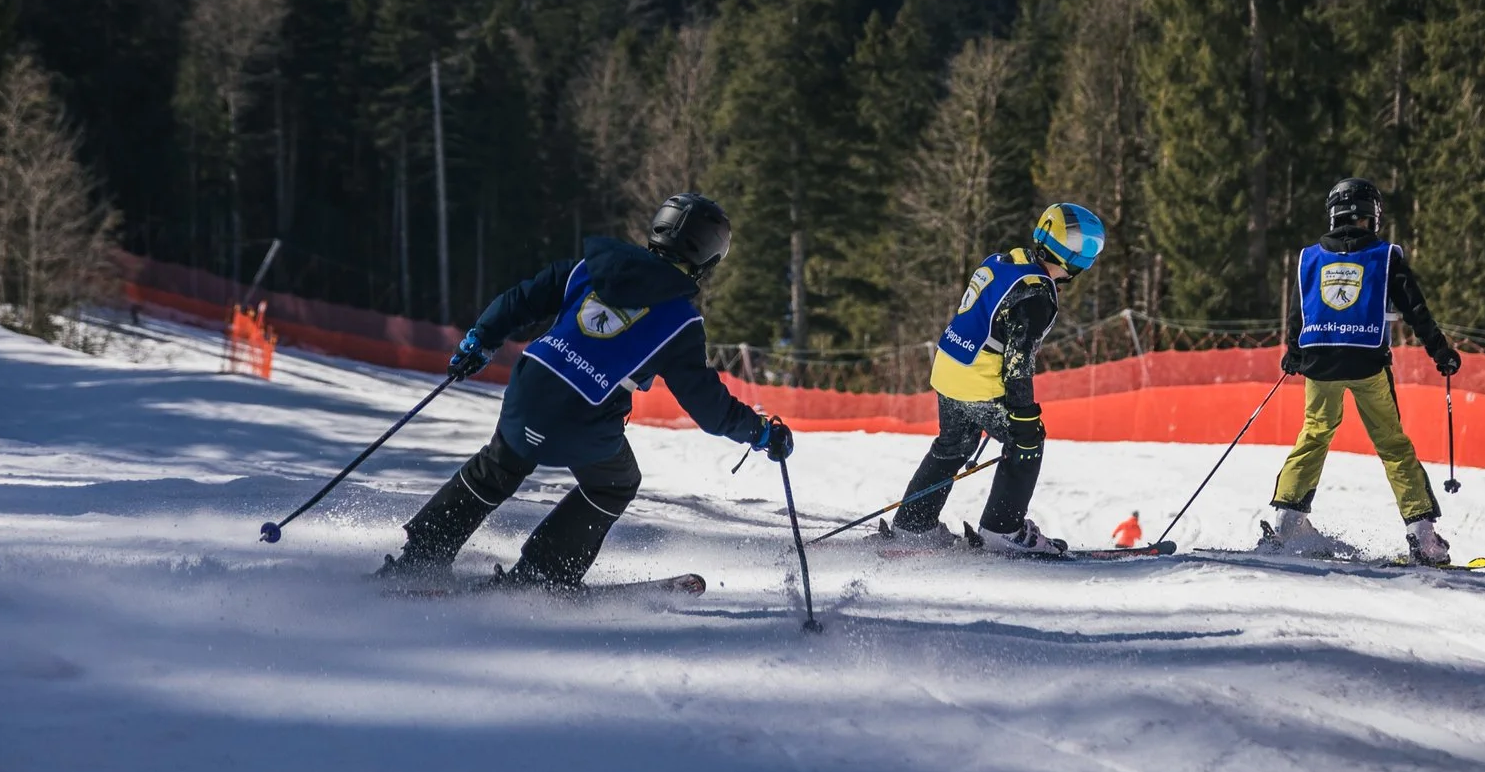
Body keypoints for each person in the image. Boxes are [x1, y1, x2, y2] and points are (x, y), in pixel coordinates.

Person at [380, 192, 789, 588]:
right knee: (615, 483)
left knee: (498, 466)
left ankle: (421, 557)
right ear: (708, 257)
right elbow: (709, 407)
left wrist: (479, 340)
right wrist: (760, 432)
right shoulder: (681, 322)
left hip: (529, 387)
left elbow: (519, 300)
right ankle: (542, 576)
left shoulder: (589, 267)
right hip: (583, 417)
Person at [891, 202, 1106, 557]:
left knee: (953, 446)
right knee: (1027, 443)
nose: (1089, 258)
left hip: (949, 367)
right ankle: (1002, 529)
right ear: (1073, 254)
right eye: (1089, 248)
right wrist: (1024, 417)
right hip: (979, 382)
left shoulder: (1006, 261)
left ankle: (913, 525)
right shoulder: (1037, 294)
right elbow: (1018, 363)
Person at [1268, 176, 1463, 566]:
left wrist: (1293, 352)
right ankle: (1422, 535)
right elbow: (1416, 310)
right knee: (1392, 444)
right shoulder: (1385, 255)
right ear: (1371, 215)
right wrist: (1440, 351)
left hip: (1319, 362)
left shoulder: (1310, 256)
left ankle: (1287, 522)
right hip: (1366, 362)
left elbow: (1298, 310)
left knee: (1314, 434)